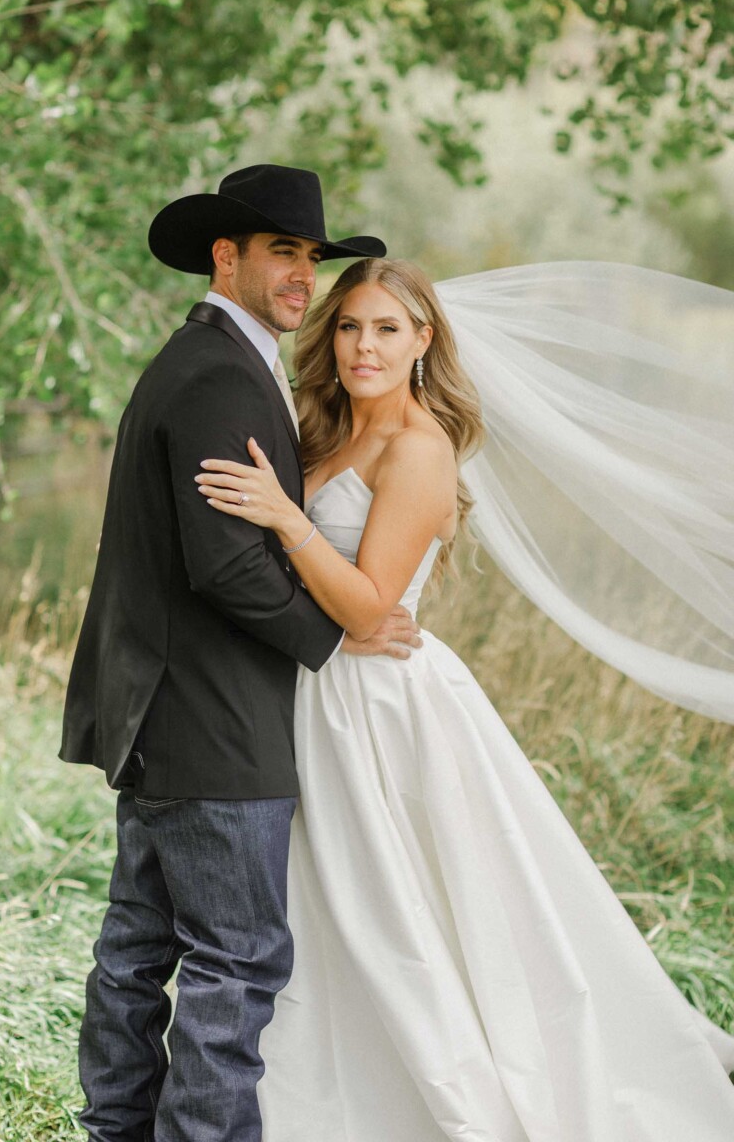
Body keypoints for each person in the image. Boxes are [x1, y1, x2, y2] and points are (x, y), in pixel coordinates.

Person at [195, 256, 734, 1141]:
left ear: (423, 340)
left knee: (397, 909)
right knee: (318, 907)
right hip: (307, 692)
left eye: (386, 329)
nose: (363, 347)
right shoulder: (318, 429)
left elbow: (371, 604)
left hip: (380, 706)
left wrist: (286, 520)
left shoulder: (420, 448)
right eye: (349, 326)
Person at [59, 165, 423, 1142]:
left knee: (137, 950)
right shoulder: (221, 372)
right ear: (226, 257)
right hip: (213, 724)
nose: (303, 275)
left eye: (311, 257)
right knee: (237, 959)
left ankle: (114, 1131)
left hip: (165, 714)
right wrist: (337, 634)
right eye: (282, 252)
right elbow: (224, 566)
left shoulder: (206, 359)